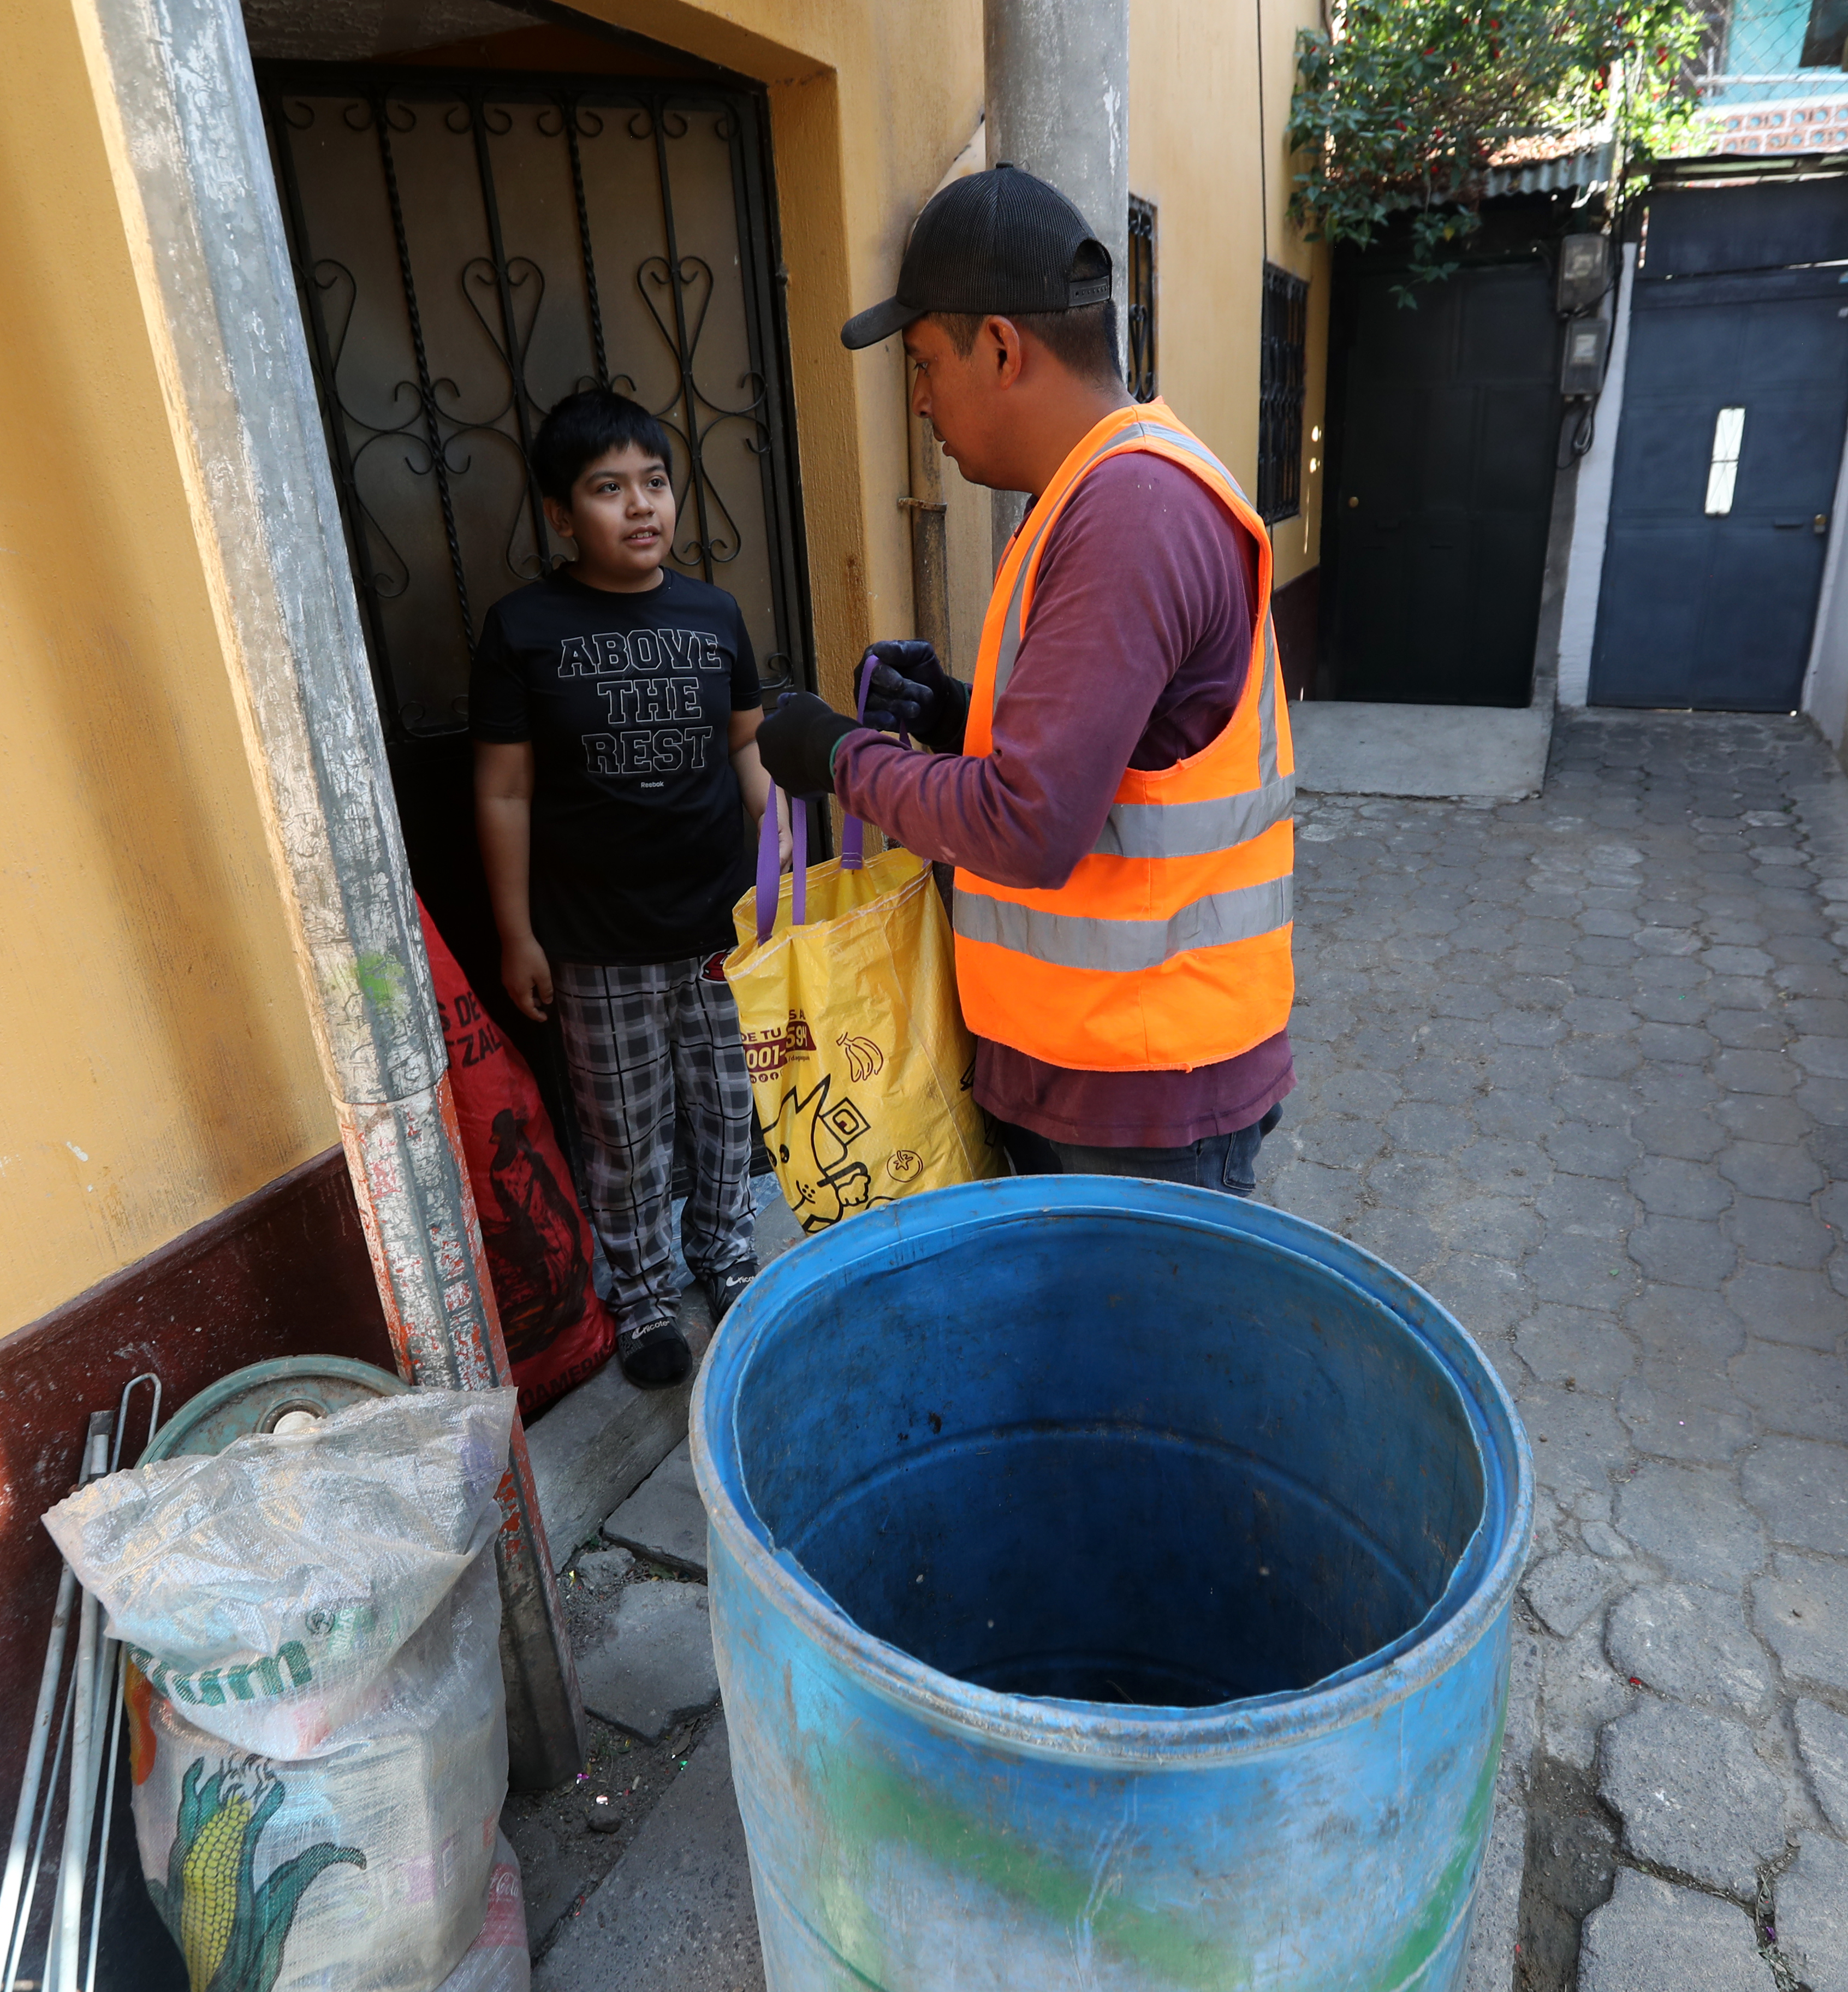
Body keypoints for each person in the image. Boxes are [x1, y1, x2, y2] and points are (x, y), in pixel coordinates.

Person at [756, 164, 1295, 1194]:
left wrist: (836, 755)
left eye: (923, 364)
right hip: (1093, 1070)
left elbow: (1028, 825)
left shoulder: (1130, 512)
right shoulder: (1101, 494)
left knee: (1121, 1363)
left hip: (1138, 1092)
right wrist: (960, 714)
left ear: (1001, 347)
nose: (918, 403)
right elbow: (1119, 763)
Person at [472, 389, 771, 1386]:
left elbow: (750, 757)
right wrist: (518, 934)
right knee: (627, 1136)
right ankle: (643, 1300)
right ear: (563, 516)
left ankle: (726, 1259)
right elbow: (506, 790)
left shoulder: (714, 613)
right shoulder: (523, 629)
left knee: (731, 1114)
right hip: (596, 943)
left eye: (654, 482)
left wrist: (787, 885)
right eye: (608, 489)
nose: (642, 507)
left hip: (721, 926)